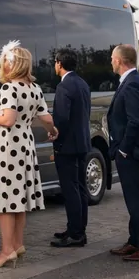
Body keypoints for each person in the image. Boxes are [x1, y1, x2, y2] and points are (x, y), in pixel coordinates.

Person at [0, 41, 57, 268]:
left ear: (10, 64)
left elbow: (7, 120)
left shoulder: (8, 88)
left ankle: (6, 251)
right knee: (19, 198)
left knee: (4, 202)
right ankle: (18, 244)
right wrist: (53, 132)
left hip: (7, 149)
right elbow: (47, 119)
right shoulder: (34, 88)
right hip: (25, 145)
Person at [107, 44, 139, 262]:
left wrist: (124, 149)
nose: (111, 61)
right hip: (129, 150)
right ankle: (135, 240)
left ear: (119, 60)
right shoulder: (132, 81)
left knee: (136, 198)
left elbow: (134, 121)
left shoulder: (132, 84)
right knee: (132, 197)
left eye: (112, 58)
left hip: (131, 152)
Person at [49, 49, 92, 248]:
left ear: (59, 63)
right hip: (82, 143)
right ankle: (77, 228)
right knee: (80, 187)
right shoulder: (82, 83)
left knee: (70, 189)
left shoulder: (64, 86)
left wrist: (55, 136)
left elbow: (62, 118)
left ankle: (76, 234)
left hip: (66, 146)